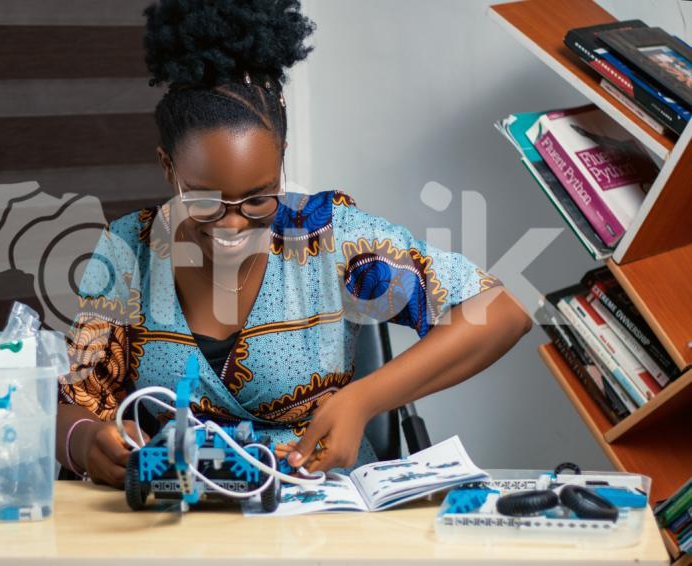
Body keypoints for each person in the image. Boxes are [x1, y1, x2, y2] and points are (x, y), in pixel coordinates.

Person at [56, 0, 533, 488]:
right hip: (184, 509)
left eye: (258, 199)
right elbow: (70, 402)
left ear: (281, 160)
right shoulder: (127, 251)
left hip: (322, 508)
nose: (234, 225)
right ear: (168, 167)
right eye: (205, 202)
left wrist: (363, 400)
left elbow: (502, 312)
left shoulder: (328, 236)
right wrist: (84, 440)